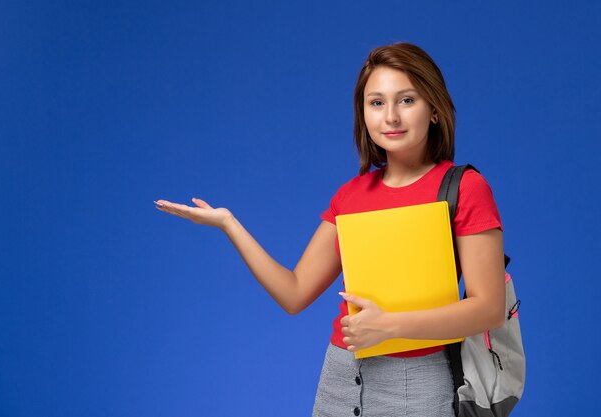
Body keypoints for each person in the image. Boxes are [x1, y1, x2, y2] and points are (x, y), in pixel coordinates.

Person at [155, 42, 505, 417]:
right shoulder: (352, 194)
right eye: (376, 103)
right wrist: (229, 224)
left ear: (434, 109)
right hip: (341, 377)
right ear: (363, 113)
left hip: (415, 383)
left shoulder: (464, 188)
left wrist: (389, 326)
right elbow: (294, 293)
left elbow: (489, 309)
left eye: (406, 100)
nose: (390, 117)